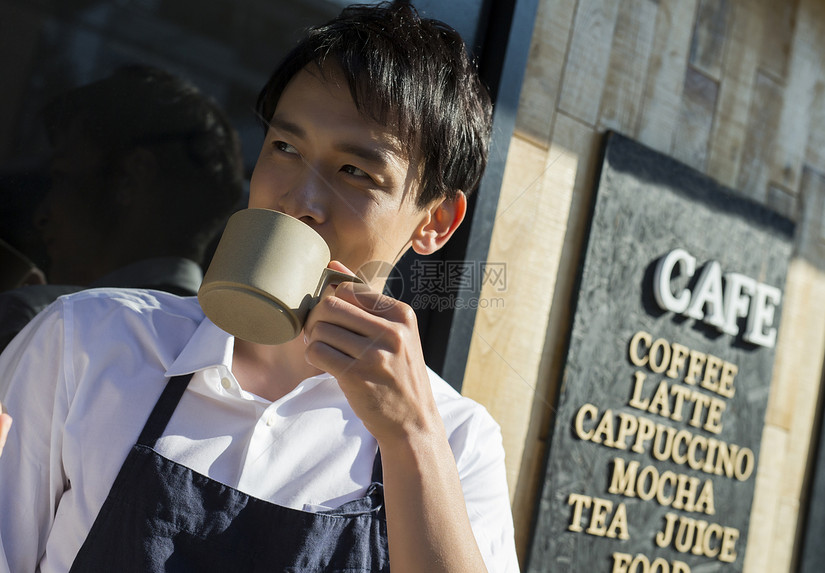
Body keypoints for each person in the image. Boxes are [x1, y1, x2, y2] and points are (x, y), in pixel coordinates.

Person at [0, 3, 518, 572]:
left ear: (434, 221)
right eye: (285, 148)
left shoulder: (457, 440)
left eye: (356, 172)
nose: (299, 200)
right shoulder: (88, 341)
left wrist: (412, 438)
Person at [0, 64, 244, 352]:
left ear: (130, 177)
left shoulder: (39, 321)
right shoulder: (220, 353)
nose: (42, 216)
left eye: (62, 177)